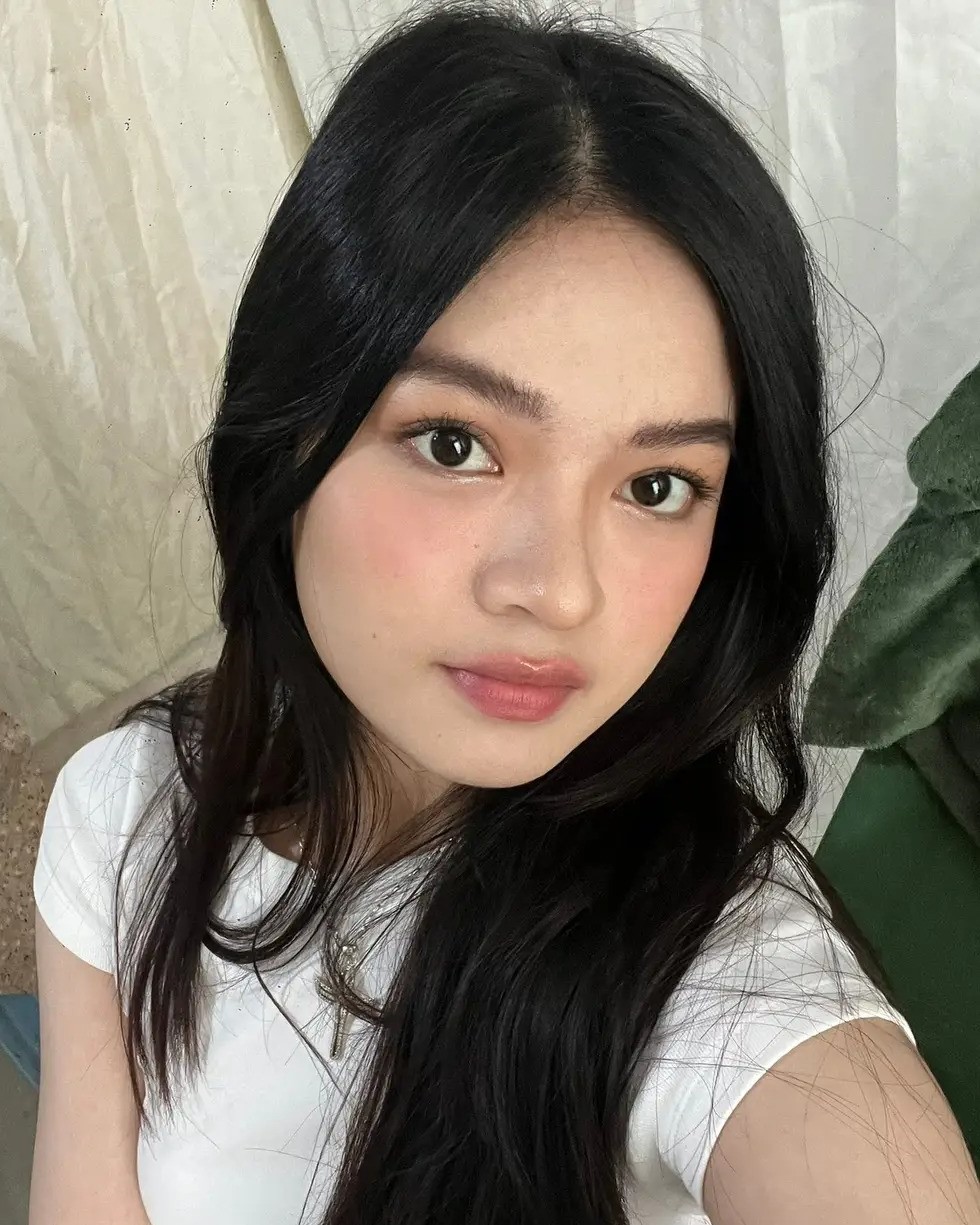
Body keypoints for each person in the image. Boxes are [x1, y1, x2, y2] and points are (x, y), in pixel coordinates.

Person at [29, 3, 980, 1224]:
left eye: (656, 486)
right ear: (287, 435)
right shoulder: (127, 809)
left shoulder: (721, 974)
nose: (557, 589)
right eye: (453, 443)